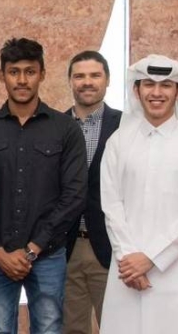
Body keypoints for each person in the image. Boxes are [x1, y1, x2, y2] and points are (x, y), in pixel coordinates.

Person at [0, 38, 87, 334]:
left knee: (49, 329)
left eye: (30, 71)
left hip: (48, 255)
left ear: (43, 74)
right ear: (1, 76)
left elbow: (74, 195)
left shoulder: (65, 128)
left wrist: (34, 249)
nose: (21, 80)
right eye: (13, 72)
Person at [99, 55, 178, 334]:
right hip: (126, 272)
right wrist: (129, 259)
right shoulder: (118, 142)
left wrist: (150, 258)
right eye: (148, 85)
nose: (156, 93)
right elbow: (111, 205)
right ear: (136, 91)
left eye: (166, 85)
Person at [61, 51, 121, 334]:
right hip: (65, 247)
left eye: (95, 75)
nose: (87, 82)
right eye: (79, 76)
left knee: (118, 325)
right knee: (71, 328)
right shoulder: (54, 125)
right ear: (70, 82)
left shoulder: (127, 126)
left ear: (107, 80)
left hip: (111, 246)